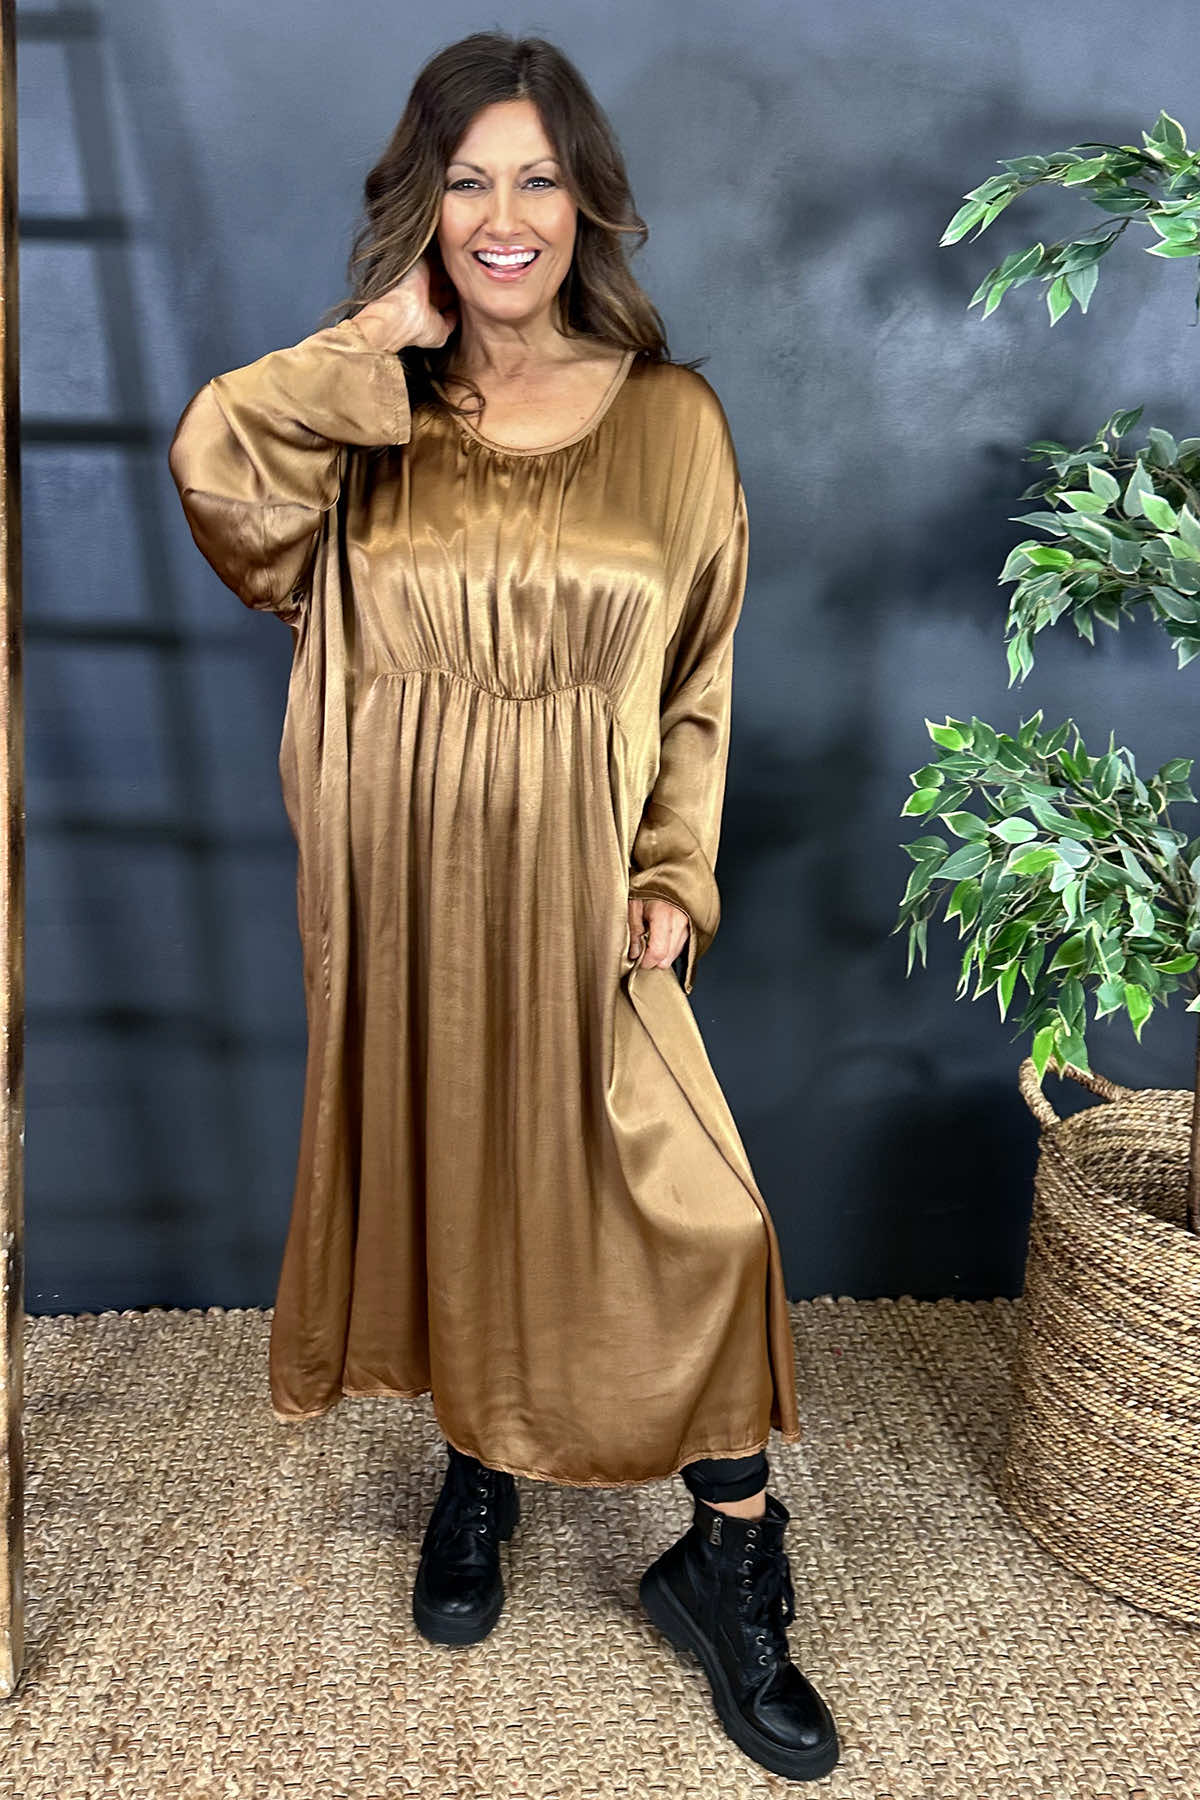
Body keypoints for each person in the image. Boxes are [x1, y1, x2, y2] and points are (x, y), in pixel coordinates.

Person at [167, 30, 839, 1783]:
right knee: (462, 1167)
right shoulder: (367, 419)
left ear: (585, 200)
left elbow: (698, 679)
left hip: (581, 891)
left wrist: (673, 873)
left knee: (699, 1216)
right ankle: (482, 1465)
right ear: (425, 206)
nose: (504, 214)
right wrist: (371, 342)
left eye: (537, 176)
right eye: (468, 180)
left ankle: (729, 1562)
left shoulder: (674, 421)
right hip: (402, 888)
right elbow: (221, 483)